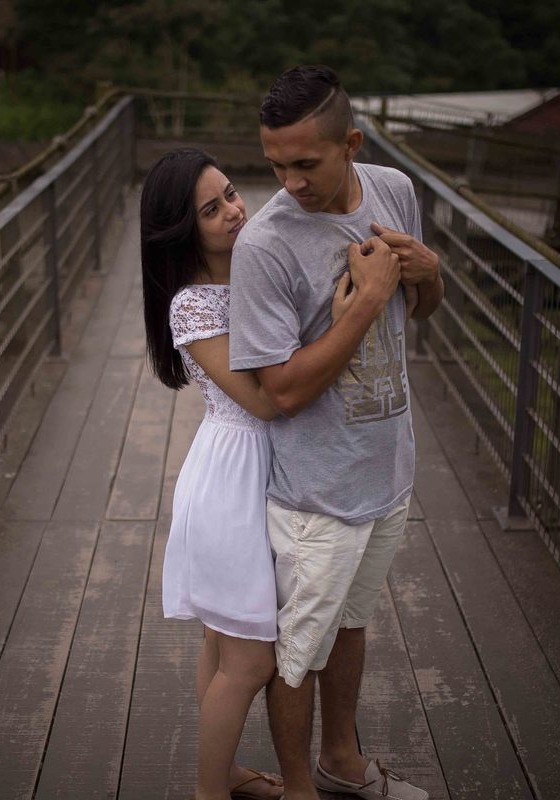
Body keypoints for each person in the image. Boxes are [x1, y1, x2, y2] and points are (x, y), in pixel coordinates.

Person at [141, 147, 385, 800]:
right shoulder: (193, 306)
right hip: (234, 477)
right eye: (211, 209)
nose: (233, 211)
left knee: (222, 650)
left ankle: (222, 774)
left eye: (231, 194)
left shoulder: (249, 273)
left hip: (264, 470)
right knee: (249, 663)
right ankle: (208, 793)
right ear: (181, 228)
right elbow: (263, 398)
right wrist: (342, 324)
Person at [228, 66, 443, 800]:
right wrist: (365, 302)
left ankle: (342, 763)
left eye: (305, 163)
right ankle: (298, 791)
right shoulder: (264, 247)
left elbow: (418, 311)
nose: (288, 181)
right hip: (315, 493)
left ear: (350, 144)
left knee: (350, 626)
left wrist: (432, 273)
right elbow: (279, 390)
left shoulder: (393, 191)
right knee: (296, 654)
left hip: (387, 471)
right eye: (274, 165)